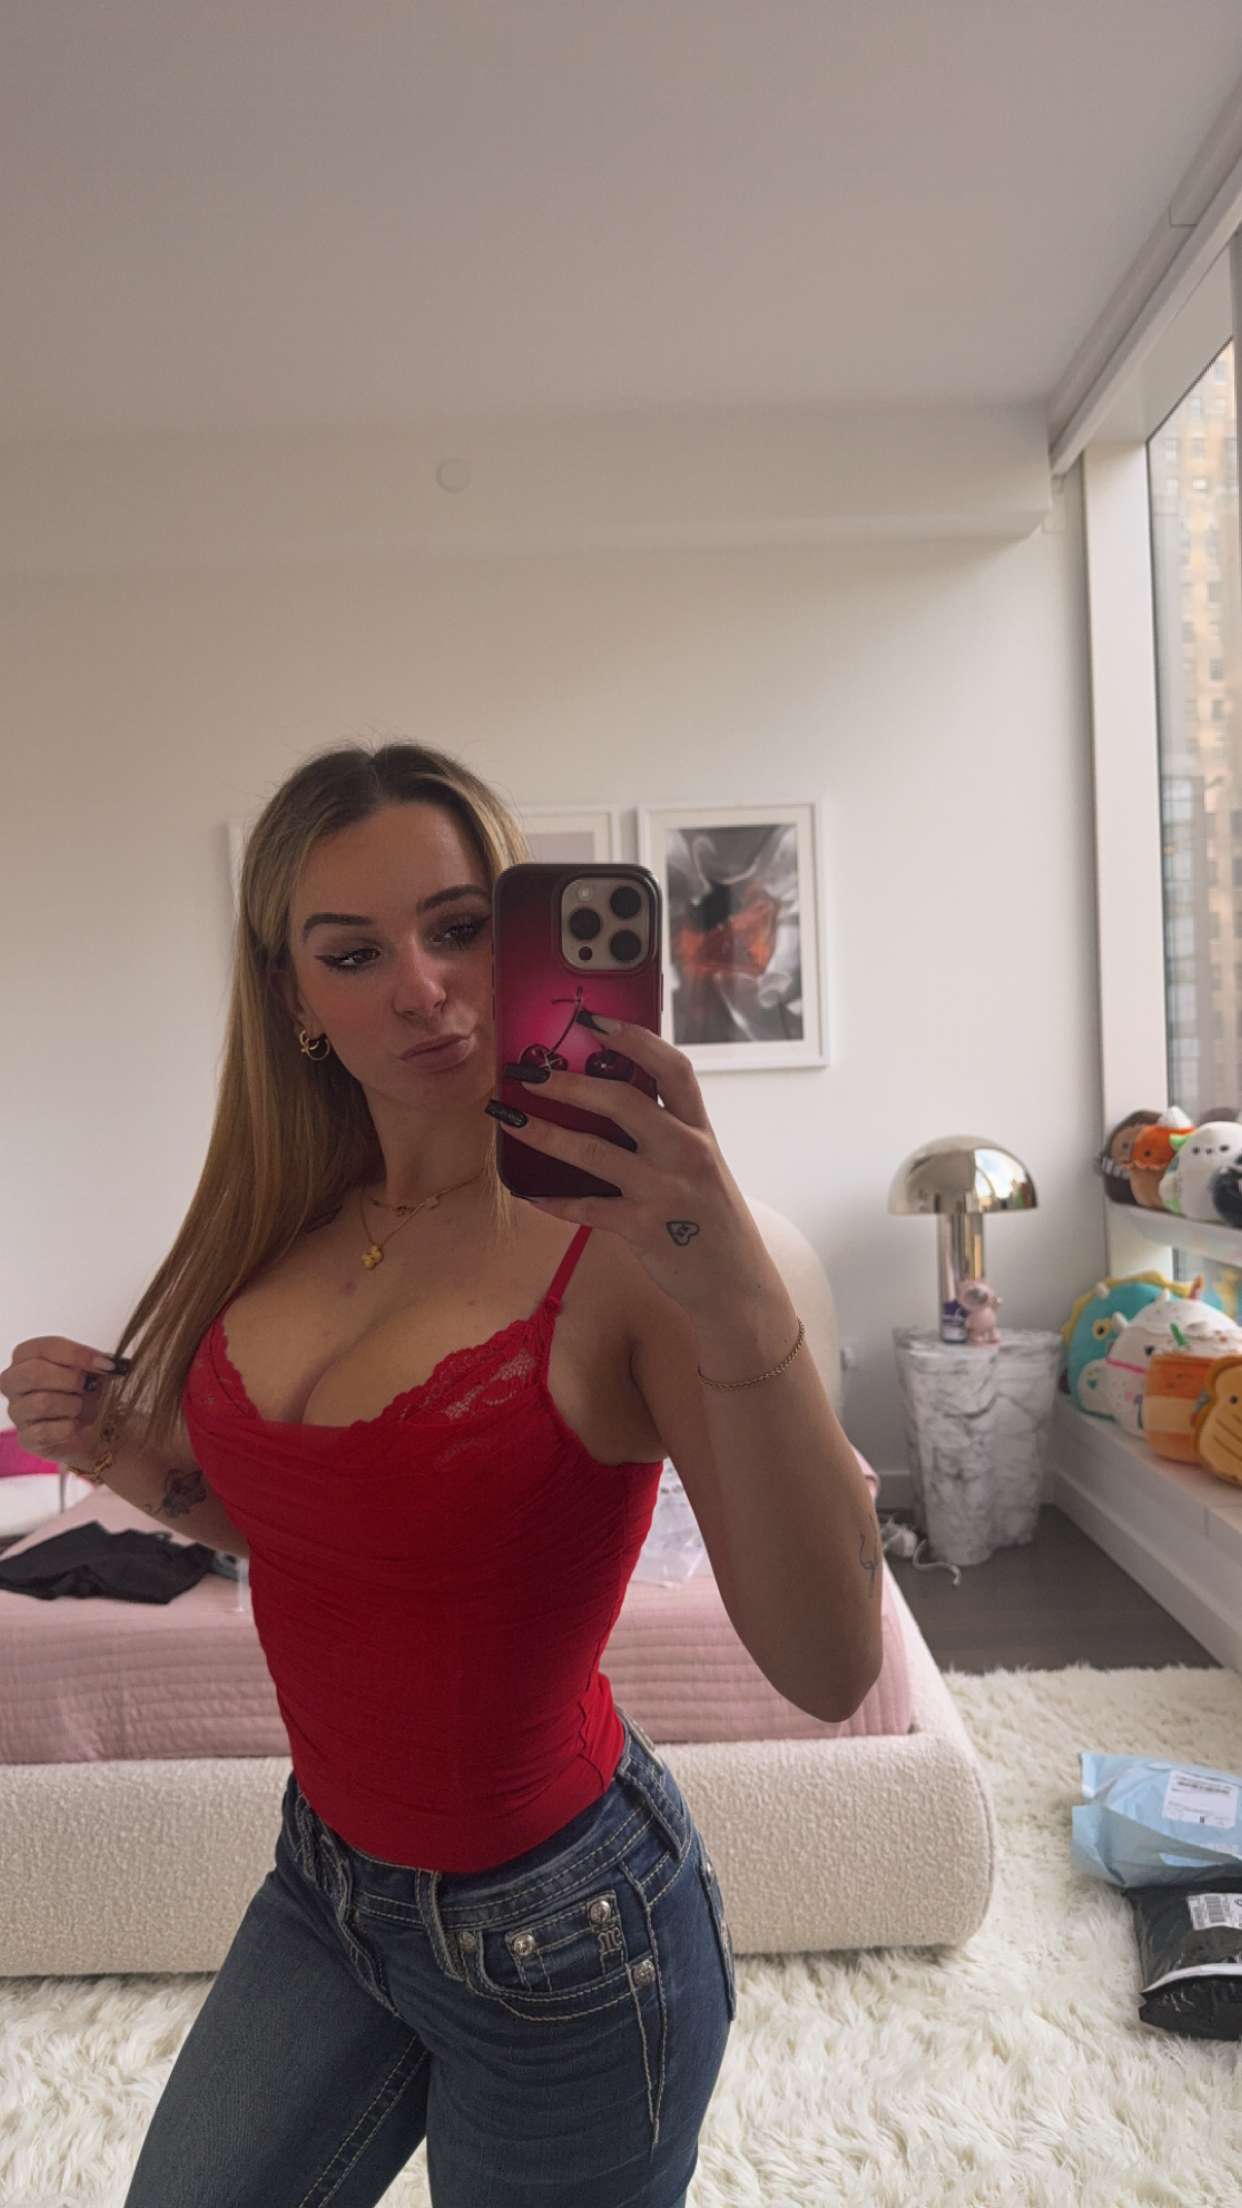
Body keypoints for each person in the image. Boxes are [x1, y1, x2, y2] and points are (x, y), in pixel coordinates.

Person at [4, 742, 776, 2207]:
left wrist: (738, 1282)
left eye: (461, 927)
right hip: (327, 1881)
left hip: (571, 1931)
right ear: (294, 998)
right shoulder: (283, 1230)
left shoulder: (616, 1251)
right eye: (353, 953)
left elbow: (824, 1656)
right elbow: (306, 1544)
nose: (420, 988)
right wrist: (118, 1453)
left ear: (525, 934)